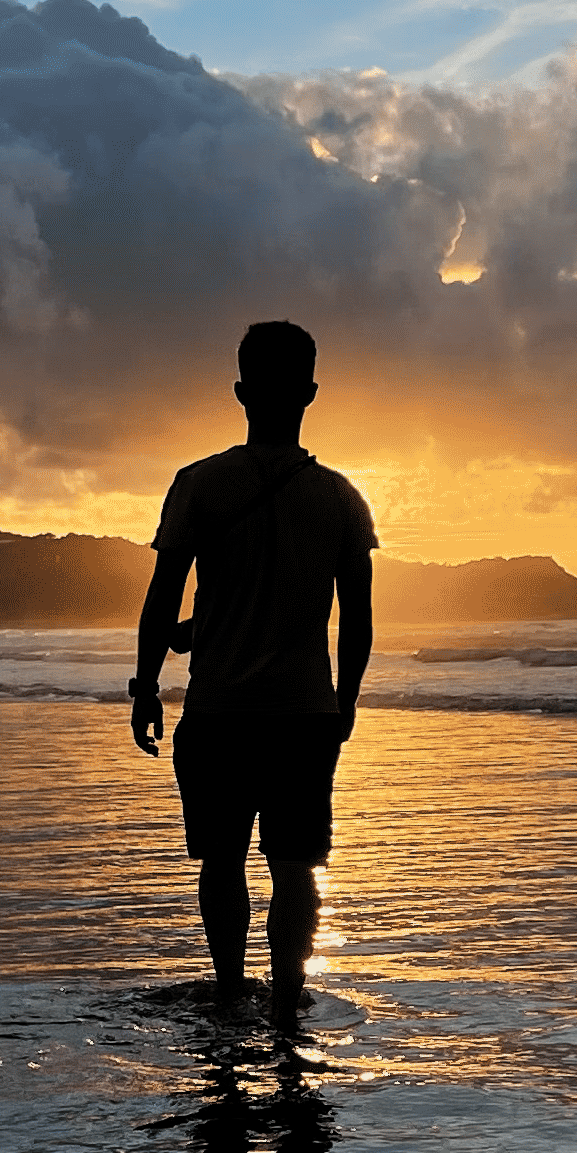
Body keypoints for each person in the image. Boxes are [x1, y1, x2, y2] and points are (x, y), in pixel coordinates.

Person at [132, 321, 375, 1003]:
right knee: (296, 866)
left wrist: (145, 687)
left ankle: (232, 990)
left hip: (217, 714)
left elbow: (161, 599)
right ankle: (290, 998)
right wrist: (345, 704)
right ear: (311, 393)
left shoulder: (199, 485)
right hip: (304, 715)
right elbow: (356, 621)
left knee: (222, 861)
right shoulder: (340, 498)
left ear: (241, 392)